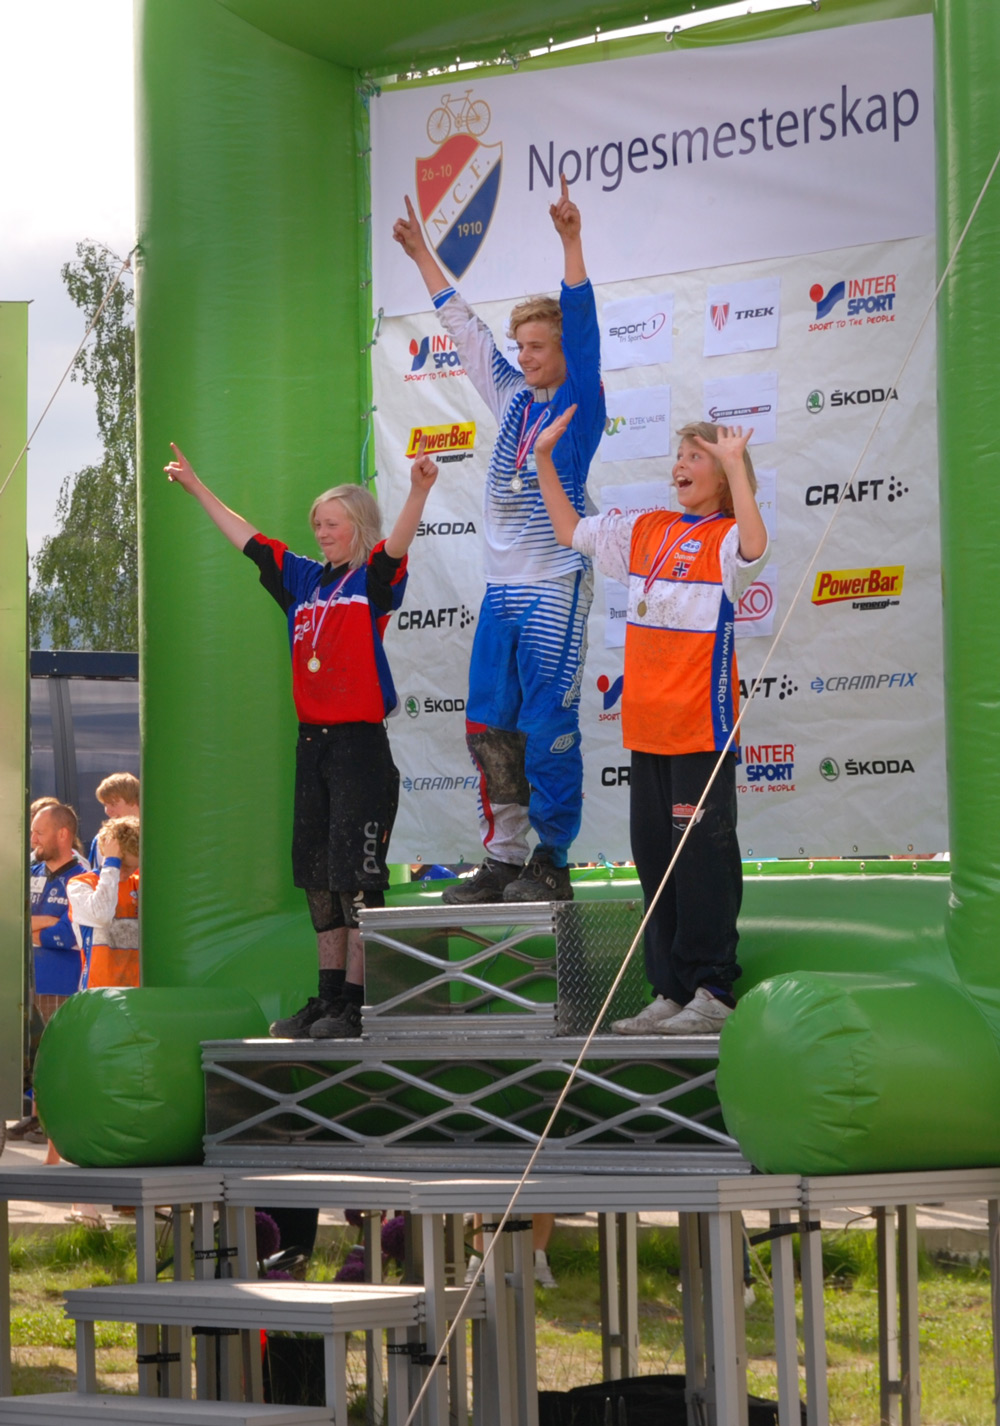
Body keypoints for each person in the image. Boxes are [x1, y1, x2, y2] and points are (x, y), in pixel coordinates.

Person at [164, 442, 438, 1039]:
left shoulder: (371, 580)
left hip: (359, 747)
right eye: (317, 524)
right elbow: (250, 541)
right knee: (318, 878)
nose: (321, 533)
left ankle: (358, 1005)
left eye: (332, 524)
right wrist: (196, 485)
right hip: (312, 745)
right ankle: (327, 997)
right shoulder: (304, 580)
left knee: (355, 879)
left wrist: (418, 491)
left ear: (357, 526)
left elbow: (397, 546)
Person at [393, 176, 605, 905]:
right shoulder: (512, 394)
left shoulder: (581, 403)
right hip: (502, 591)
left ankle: (553, 858)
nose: (527, 355)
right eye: (523, 346)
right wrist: (421, 254)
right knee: (489, 727)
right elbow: (465, 329)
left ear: (564, 350)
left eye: (539, 346)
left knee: (546, 726)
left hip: (554, 585)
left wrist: (571, 242)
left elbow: (582, 326)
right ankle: (505, 857)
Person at [533, 409, 769, 1035]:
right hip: (647, 729)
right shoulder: (647, 529)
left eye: (696, 457)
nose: (680, 466)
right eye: (680, 456)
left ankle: (713, 991)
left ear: (724, 476)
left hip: (701, 728)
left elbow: (755, 547)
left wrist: (737, 466)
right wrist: (544, 460)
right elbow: (569, 530)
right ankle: (670, 990)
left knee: (701, 861)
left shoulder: (726, 536)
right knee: (655, 863)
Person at [11, 805, 91, 1144]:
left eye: (39, 833)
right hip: (23, 983)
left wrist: (30, 929)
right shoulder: (29, 871)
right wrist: (41, 923)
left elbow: (71, 933)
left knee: (55, 1053)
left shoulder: (82, 876)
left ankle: (55, 1122)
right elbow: (10, 916)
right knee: (29, 1055)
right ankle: (35, 1118)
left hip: (61, 983)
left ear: (63, 834)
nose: (33, 839)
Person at [68, 815, 141, 988]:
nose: (124, 872)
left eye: (131, 867)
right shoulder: (80, 884)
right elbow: (102, 915)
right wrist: (112, 864)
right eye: (121, 865)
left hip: (137, 990)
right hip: (99, 991)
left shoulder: (139, 884)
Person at [87, 773, 140, 870]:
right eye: (105, 805)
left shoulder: (156, 835)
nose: (107, 811)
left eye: (113, 804)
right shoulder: (101, 840)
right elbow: (95, 876)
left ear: (133, 802)